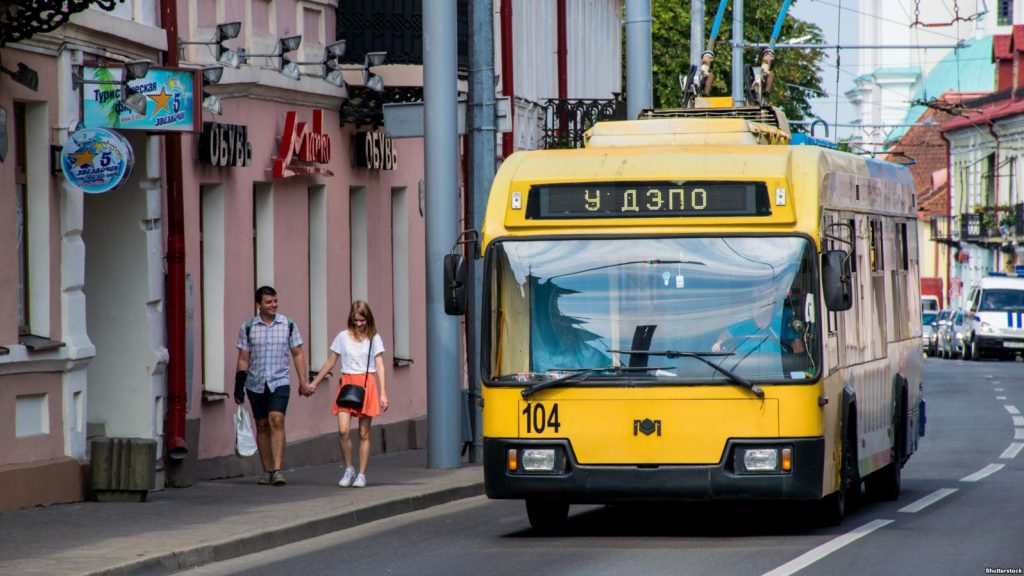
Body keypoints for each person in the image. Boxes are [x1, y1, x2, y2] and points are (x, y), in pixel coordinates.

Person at [307, 300, 389, 488]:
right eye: (356, 320)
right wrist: (314, 383)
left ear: (368, 319)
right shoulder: (342, 337)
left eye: (362, 320)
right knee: (343, 430)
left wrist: (383, 392)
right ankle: (349, 468)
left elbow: (380, 365)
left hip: (367, 384)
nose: (359, 324)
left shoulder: (374, 338)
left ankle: (361, 474)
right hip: (347, 383)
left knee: (363, 432)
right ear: (351, 319)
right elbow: (331, 361)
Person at [234, 285, 306, 486]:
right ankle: (266, 471)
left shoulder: (288, 324)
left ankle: (277, 469)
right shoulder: (248, 327)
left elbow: (298, 353)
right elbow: (243, 358)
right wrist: (239, 385)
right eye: (269, 302)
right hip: (255, 382)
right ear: (259, 305)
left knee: (277, 419)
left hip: (279, 380)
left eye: (275, 301)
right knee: (262, 424)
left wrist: (302, 381)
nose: (274, 305)